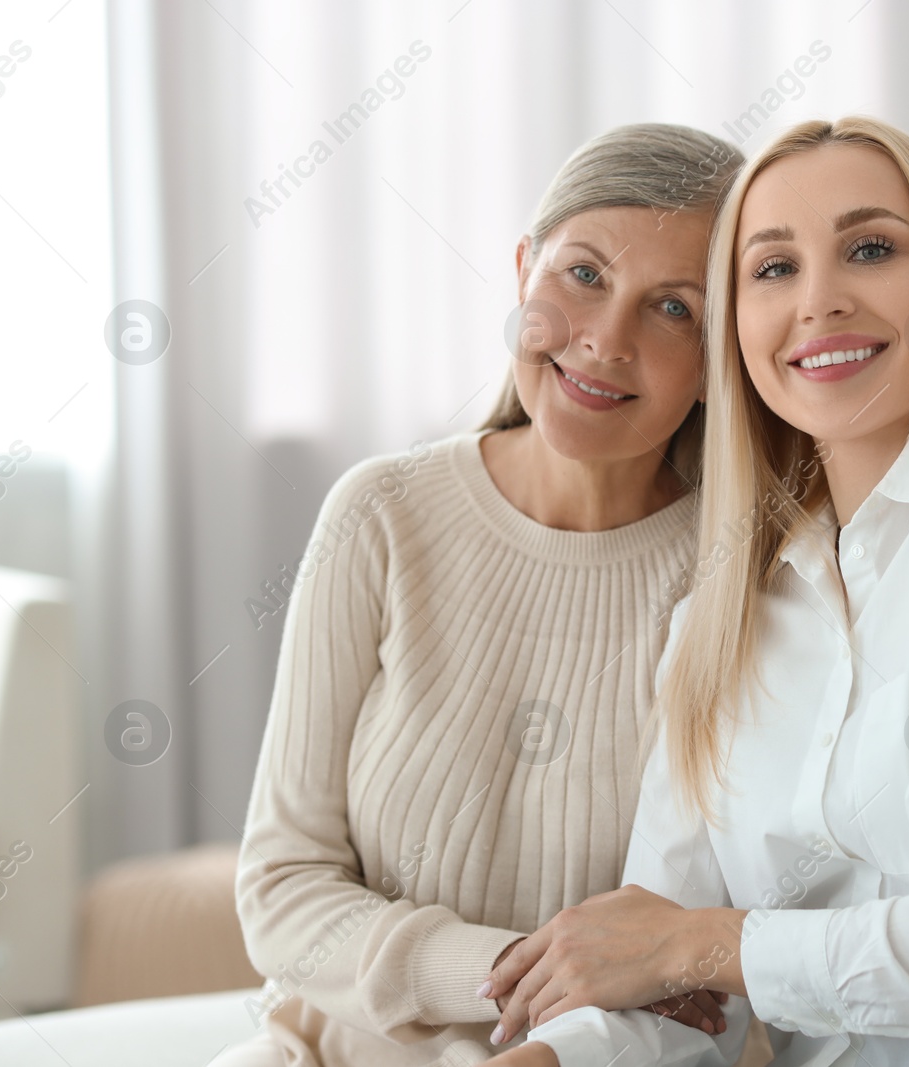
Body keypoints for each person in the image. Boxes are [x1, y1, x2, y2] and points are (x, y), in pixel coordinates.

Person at [479, 115, 909, 1067]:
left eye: (870, 249)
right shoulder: (722, 614)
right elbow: (674, 995)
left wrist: (702, 945)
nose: (820, 301)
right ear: (736, 323)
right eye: (773, 269)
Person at [217, 122, 745, 1067]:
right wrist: (513, 968)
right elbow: (283, 888)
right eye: (583, 275)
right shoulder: (380, 514)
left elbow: (707, 968)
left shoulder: (740, 578)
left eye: (673, 308)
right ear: (521, 271)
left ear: (720, 357)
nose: (604, 339)